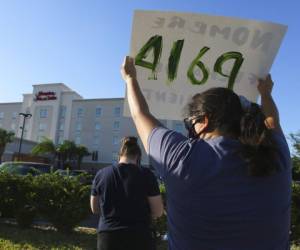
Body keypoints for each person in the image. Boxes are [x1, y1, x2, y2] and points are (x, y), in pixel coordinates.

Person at [121, 56, 291, 250]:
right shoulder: (277, 155)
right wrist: (266, 94)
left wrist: (130, 79)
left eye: (190, 124)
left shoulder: (181, 157)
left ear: (205, 121)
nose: (189, 131)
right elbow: (272, 122)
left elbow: (140, 114)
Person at [90, 136, 163, 250]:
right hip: (140, 236)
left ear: (119, 155)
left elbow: (94, 209)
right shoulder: (147, 174)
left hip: (108, 237)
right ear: (138, 156)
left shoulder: (101, 174)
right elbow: (158, 212)